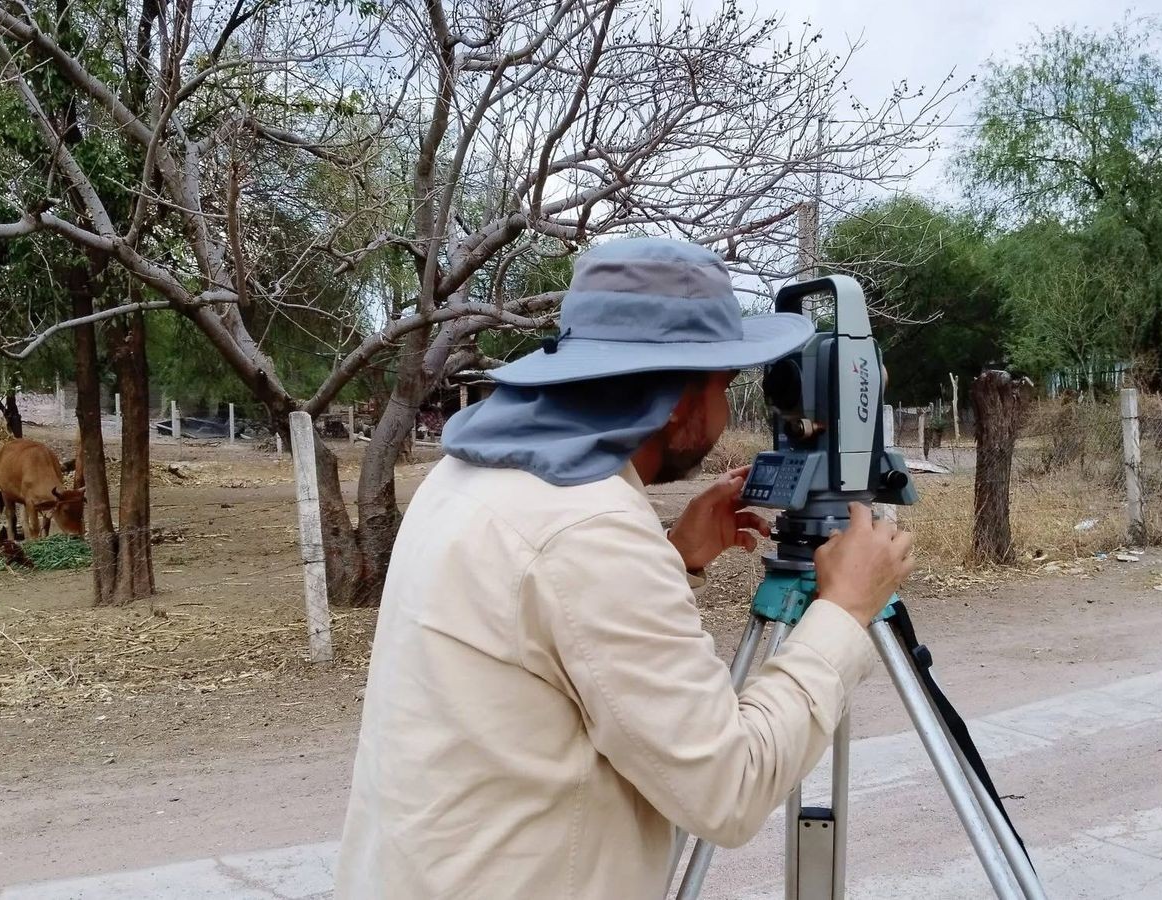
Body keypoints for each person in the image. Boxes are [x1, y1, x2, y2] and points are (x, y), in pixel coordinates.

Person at [336, 237, 915, 899]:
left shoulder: (468, 474)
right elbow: (730, 786)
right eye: (723, 384)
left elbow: (543, 636)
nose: (727, 411)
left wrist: (672, 554)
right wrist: (843, 613)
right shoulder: (592, 532)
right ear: (675, 398)